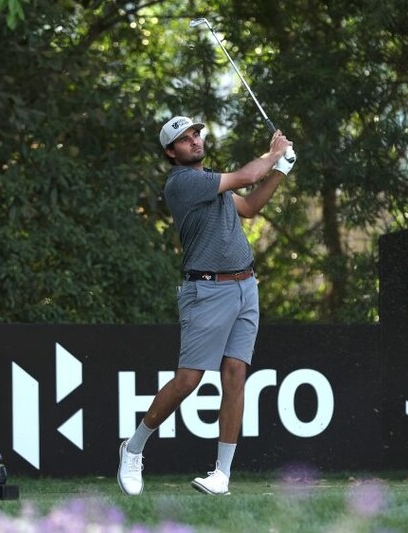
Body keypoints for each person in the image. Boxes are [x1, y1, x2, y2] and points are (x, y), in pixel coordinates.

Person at [117, 116, 295, 496]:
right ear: (171, 152)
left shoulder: (209, 181)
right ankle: (133, 449)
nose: (195, 141)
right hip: (207, 291)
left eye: (196, 134)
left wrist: (280, 170)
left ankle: (222, 476)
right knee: (188, 380)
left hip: (245, 286)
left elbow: (247, 206)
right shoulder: (183, 184)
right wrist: (273, 153)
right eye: (184, 139)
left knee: (235, 376)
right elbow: (246, 177)